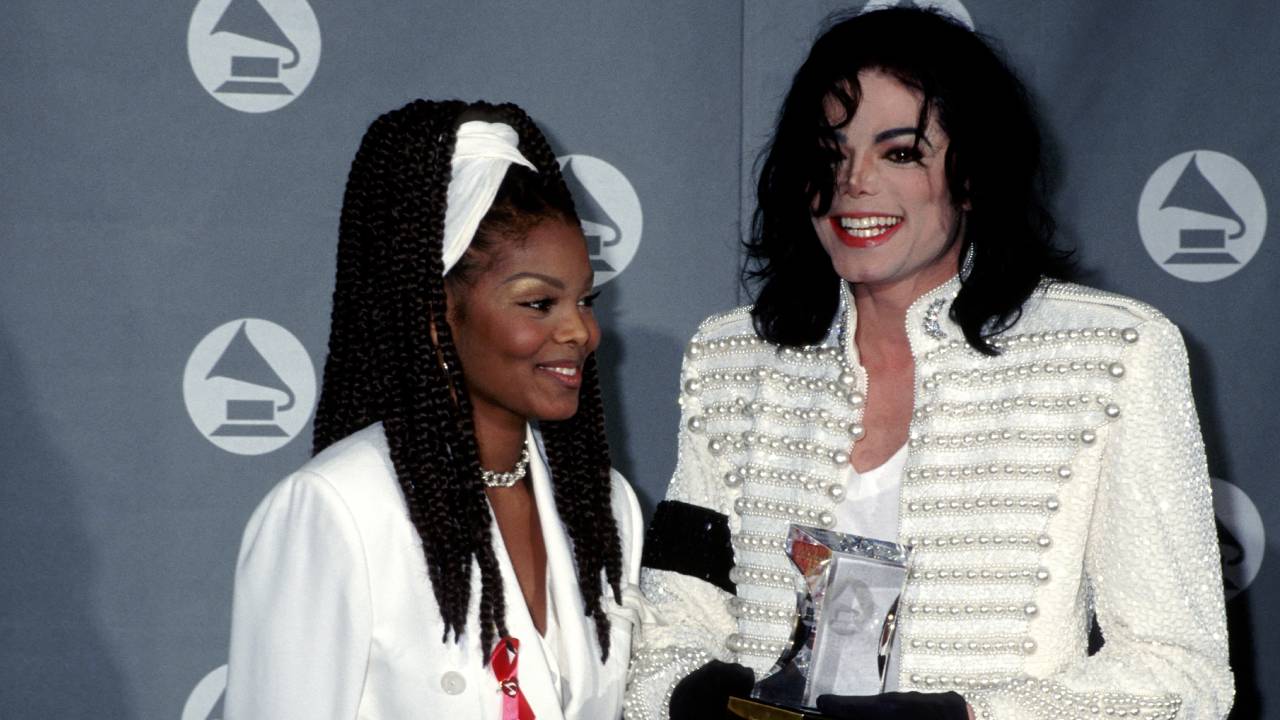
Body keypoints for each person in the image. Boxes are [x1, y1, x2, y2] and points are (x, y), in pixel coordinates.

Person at [625, 8, 1232, 720]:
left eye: (901, 153)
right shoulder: (732, 360)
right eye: (829, 151)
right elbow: (669, 625)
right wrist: (683, 695)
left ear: (972, 175)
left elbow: (1181, 675)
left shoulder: (1112, 356)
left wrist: (968, 718)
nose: (854, 181)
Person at [224, 99, 645, 720]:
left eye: (586, 301)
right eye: (538, 304)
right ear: (436, 317)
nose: (579, 331)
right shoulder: (339, 510)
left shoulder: (606, 507)